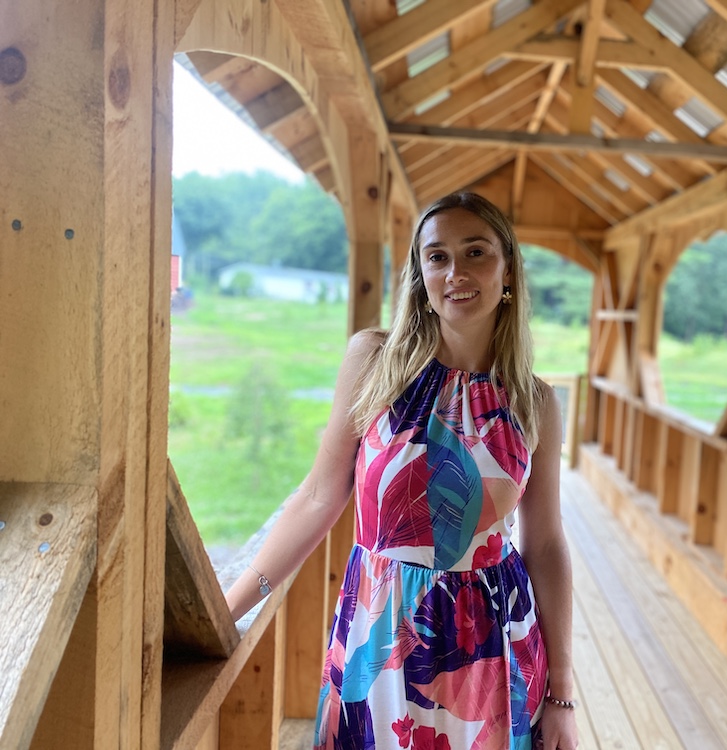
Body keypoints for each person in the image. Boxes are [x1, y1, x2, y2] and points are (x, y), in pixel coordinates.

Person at [225, 192, 578, 750]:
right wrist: (231, 607)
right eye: (437, 257)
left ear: (507, 270)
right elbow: (320, 496)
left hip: (492, 645)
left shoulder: (533, 401)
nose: (455, 272)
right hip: (380, 635)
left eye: (476, 252)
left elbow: (547, 545)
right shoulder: (375, 361)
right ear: (420, 274)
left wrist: (562, 696)